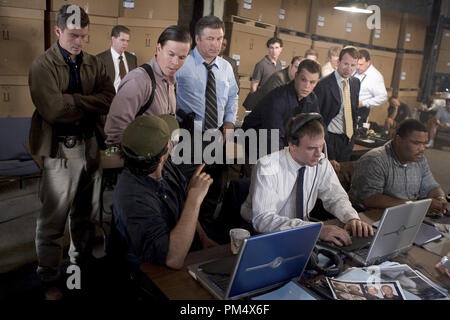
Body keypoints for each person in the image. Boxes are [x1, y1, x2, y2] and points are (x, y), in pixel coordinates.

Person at [28, 5, 115, 299]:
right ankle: (49, 277)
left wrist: (73, 100)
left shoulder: (94, 63)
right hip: (60, 148)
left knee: (85, 215)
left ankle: (78, 268)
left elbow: (108, 99)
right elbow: (53, 111)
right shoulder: (42, 65)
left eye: (84, 37)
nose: (79, 43)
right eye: (73, 35)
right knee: (54, 218)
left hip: (90, 144)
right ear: (58, 31)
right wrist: (86, 104)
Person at [241, 113, 374, 246]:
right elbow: (263, 220)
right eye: (311, 148)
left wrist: (351, 217)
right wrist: (315, 230)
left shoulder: (321, 162)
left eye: (321, 146)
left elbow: (336, 197)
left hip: (302, 229)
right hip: (264, 233)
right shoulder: (267, 166)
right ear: (292, 145)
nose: (318, 154)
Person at [112, 115, 217, 270]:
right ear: (165, 151)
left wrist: (203, 238)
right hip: (150, 275)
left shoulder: (164, 167)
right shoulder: (132, 197)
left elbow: (184, 208)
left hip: (186, 255)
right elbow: (172, 259)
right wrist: (194, 199)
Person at [104, 25, 191, 145]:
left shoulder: (172, 81)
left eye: (182, 57)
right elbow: (114, 133)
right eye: (171, 54)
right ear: (158, 48)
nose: (175, 62)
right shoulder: (138, 81)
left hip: (164, 159)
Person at [350, 119, 450, 216]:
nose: (422, 149)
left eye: (424, 143)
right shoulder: (375, 160)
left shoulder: (420, 160)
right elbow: (370, 199)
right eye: (416, 143)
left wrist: (441, 200)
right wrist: (415, 206)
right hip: (368, 218)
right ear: (398, 140)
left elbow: (431, 187)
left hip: (405, 214)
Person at [242, 59, 321, 155]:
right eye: (303, 80)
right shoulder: (278, 98)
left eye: (312, 82)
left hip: (282, 144)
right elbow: (272, 138)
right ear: (296, 76)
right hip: (255, 142)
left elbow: (316, 130)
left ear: (317, 82)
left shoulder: (312, 99)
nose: (307, 86)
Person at [176, 15, 238, 136]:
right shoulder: (182, 64)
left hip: (217, 134)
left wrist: (230, 122)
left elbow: (232, 96)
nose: (216, 44)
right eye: (210, 39)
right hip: (186, 133)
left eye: (219, 39)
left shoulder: (226, 67)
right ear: (198, 39)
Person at [313, 46, 360, 162]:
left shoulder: (355, 83)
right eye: (346, 64)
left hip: (347, 139)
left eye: (353, 65)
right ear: (338, 62)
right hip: (329, 138)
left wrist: (352, 138)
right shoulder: (323, 84)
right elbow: (319, 119)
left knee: (342, 177)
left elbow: (354, 112)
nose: (349, 68)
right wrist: (327, 147)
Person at [97, 25, 137, 92]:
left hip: (129, 97)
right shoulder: (100, 59)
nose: (125, 44)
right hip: (109, 99)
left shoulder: (132, 58)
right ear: (113, 39)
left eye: (127, 41)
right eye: (122, 40)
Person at [354, 49, 387, 124]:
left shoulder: (375, 76)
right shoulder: (354, 69)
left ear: (368, 63)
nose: (358, 67)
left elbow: (383, 97)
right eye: (356, 64)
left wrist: (363, 103)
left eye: (361, 64)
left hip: (361, 111)